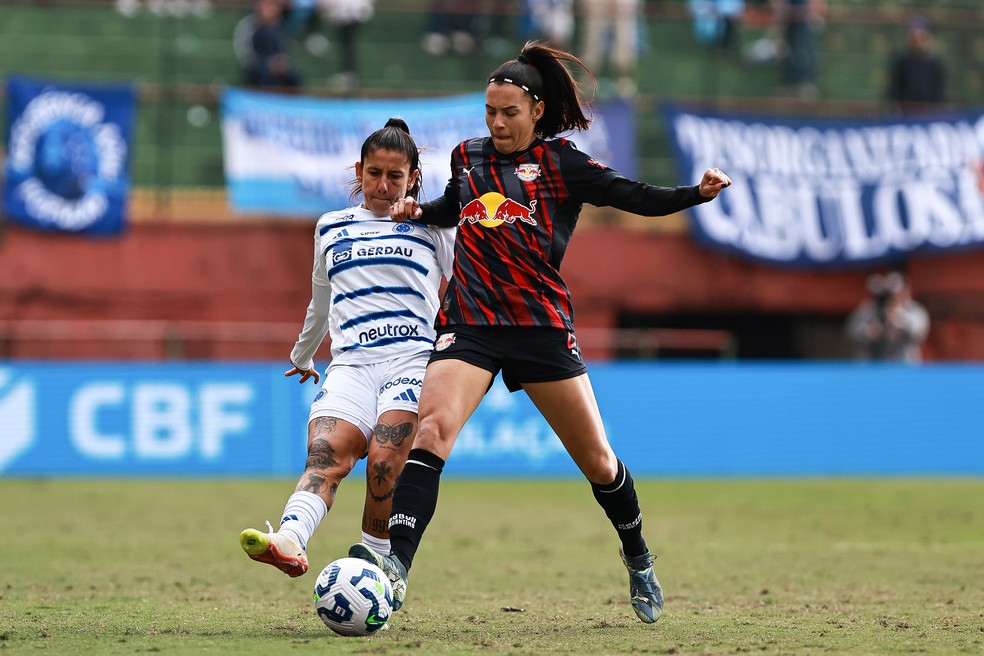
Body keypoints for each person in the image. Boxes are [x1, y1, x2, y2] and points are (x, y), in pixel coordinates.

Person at [347, 41, 731, 624]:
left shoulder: (563, 164)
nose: (497, 124)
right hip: (471, 323)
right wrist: (420, 212)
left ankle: (638, 556)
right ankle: (395, 570)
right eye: (490, 113)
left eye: (509, 114)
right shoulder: (465, 156)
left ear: (537, 112)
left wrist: (694, 195)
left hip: (539, 329)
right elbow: (457, 204)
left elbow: (634, 197)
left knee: (599, 462)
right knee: (431, 431)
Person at [240, 118, 456, 577]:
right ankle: (288, 541)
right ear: (359, 171)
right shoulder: (331, 227)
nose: (382, 185)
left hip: (412, 358)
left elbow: (465, 285)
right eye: (374, 173)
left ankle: (376, 565)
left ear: (413, 177)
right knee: (325, 454)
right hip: (351, 363)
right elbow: (320, 302)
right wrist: (302, 354)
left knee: (383, 457)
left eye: (394, 176)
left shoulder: (432, 224)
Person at [846, 271, 929, 363]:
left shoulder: (913, 310)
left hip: (903, 364)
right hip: (871, 362)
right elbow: (851, 329)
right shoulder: (870, 308)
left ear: (906, 289)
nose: (891, 297)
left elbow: (918, 332)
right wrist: (868, 331)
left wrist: (900, 321)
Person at [237, 0, 304, 91]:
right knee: (265, 76)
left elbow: (285, 51)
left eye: (274, 6)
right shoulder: (250, 26)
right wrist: (267, 63)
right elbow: (247, 55)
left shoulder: (280, 28)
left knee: (294, 75)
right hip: (258, 67)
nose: (271, 9)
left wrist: (281, 63)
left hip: (278, 66)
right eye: (267, 5)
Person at [887, 15, 945, 116]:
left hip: (928, 116)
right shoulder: (902, 62)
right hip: (906, 115)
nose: (918, 41)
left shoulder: (935, 65)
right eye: (914, 38)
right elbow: (894, 91)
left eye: (921, 37)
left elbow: (938, 95)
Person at [772, 0, 825, 100]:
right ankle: (791, 84)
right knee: (788, 51)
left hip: (805, 20)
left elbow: (816, 5)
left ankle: (806, 85)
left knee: (805, 49)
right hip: (789, 20)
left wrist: (813, 11)